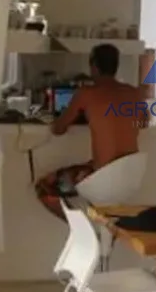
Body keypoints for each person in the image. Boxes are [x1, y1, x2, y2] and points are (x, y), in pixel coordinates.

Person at [33, 44, 149, 220]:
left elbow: (58, 129)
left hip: (103, 180)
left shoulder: (86, 93)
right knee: (90, 166)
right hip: (131, 178)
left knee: (44, 187)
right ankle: (101, 222)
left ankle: (81, 227)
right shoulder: (134, 93)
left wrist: (87, 115)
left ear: (93, 66)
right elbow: (144, 123)